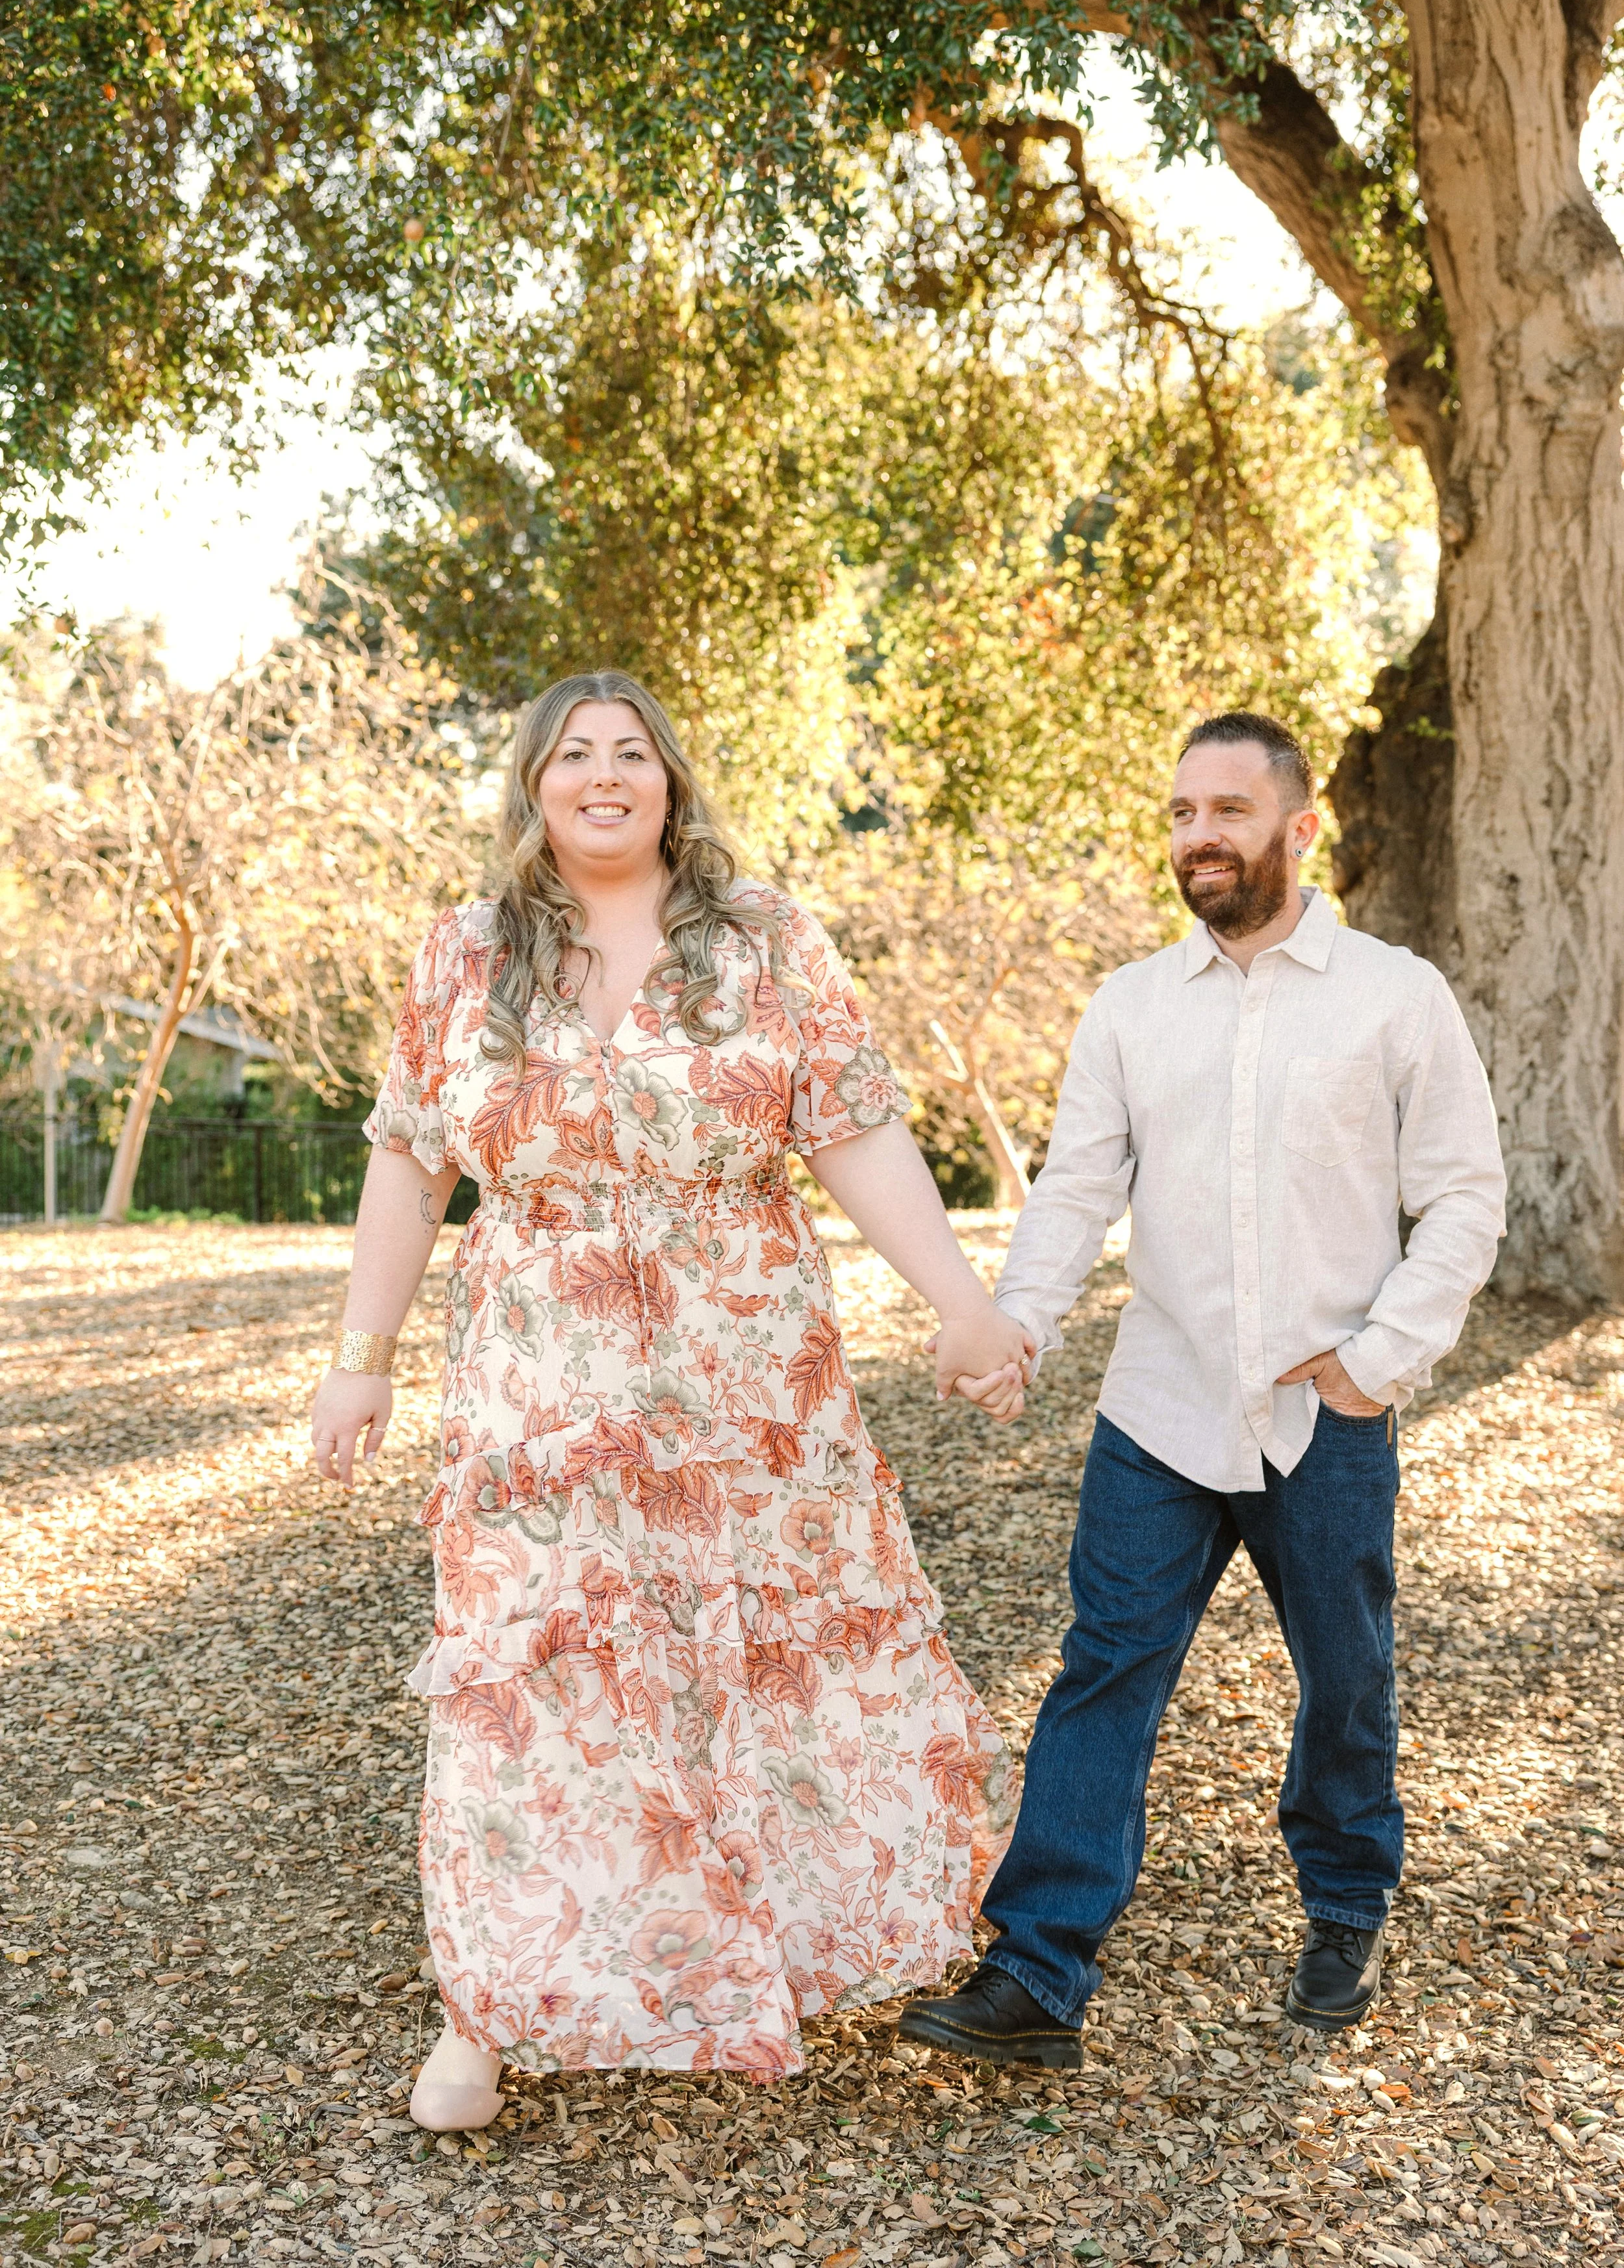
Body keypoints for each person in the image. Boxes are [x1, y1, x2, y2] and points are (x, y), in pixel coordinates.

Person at [309, 669, 1033, 2124]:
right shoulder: (465, 957)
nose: (601, 775)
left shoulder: (763, 940)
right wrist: (358, 1356)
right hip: (543, 1385)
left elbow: (856, 1133)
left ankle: (763, 1952)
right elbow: (408, 1156)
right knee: (537, 1675)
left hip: (749, 1381)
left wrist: (961, 1306)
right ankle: (491, 2005)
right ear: (530, 786)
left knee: (757, 1661)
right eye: (571, 754)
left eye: (628, 753)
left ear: (669, 781)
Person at [898, 710, 1506, 2067]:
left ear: (1297, 828)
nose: (1196, 838)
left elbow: (1464, 1198)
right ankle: (1038, 1973)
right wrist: (1014, 1326)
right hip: (1158, 1408)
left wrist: (1376, 1358)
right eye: (1179, 813)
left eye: (1224, 811)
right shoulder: (1128, 1008)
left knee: (1343, 1677)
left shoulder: (1392, 996)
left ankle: (1345, 1905)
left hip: (1323, 1412)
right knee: (1103, 1670)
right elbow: (1073, 1192)